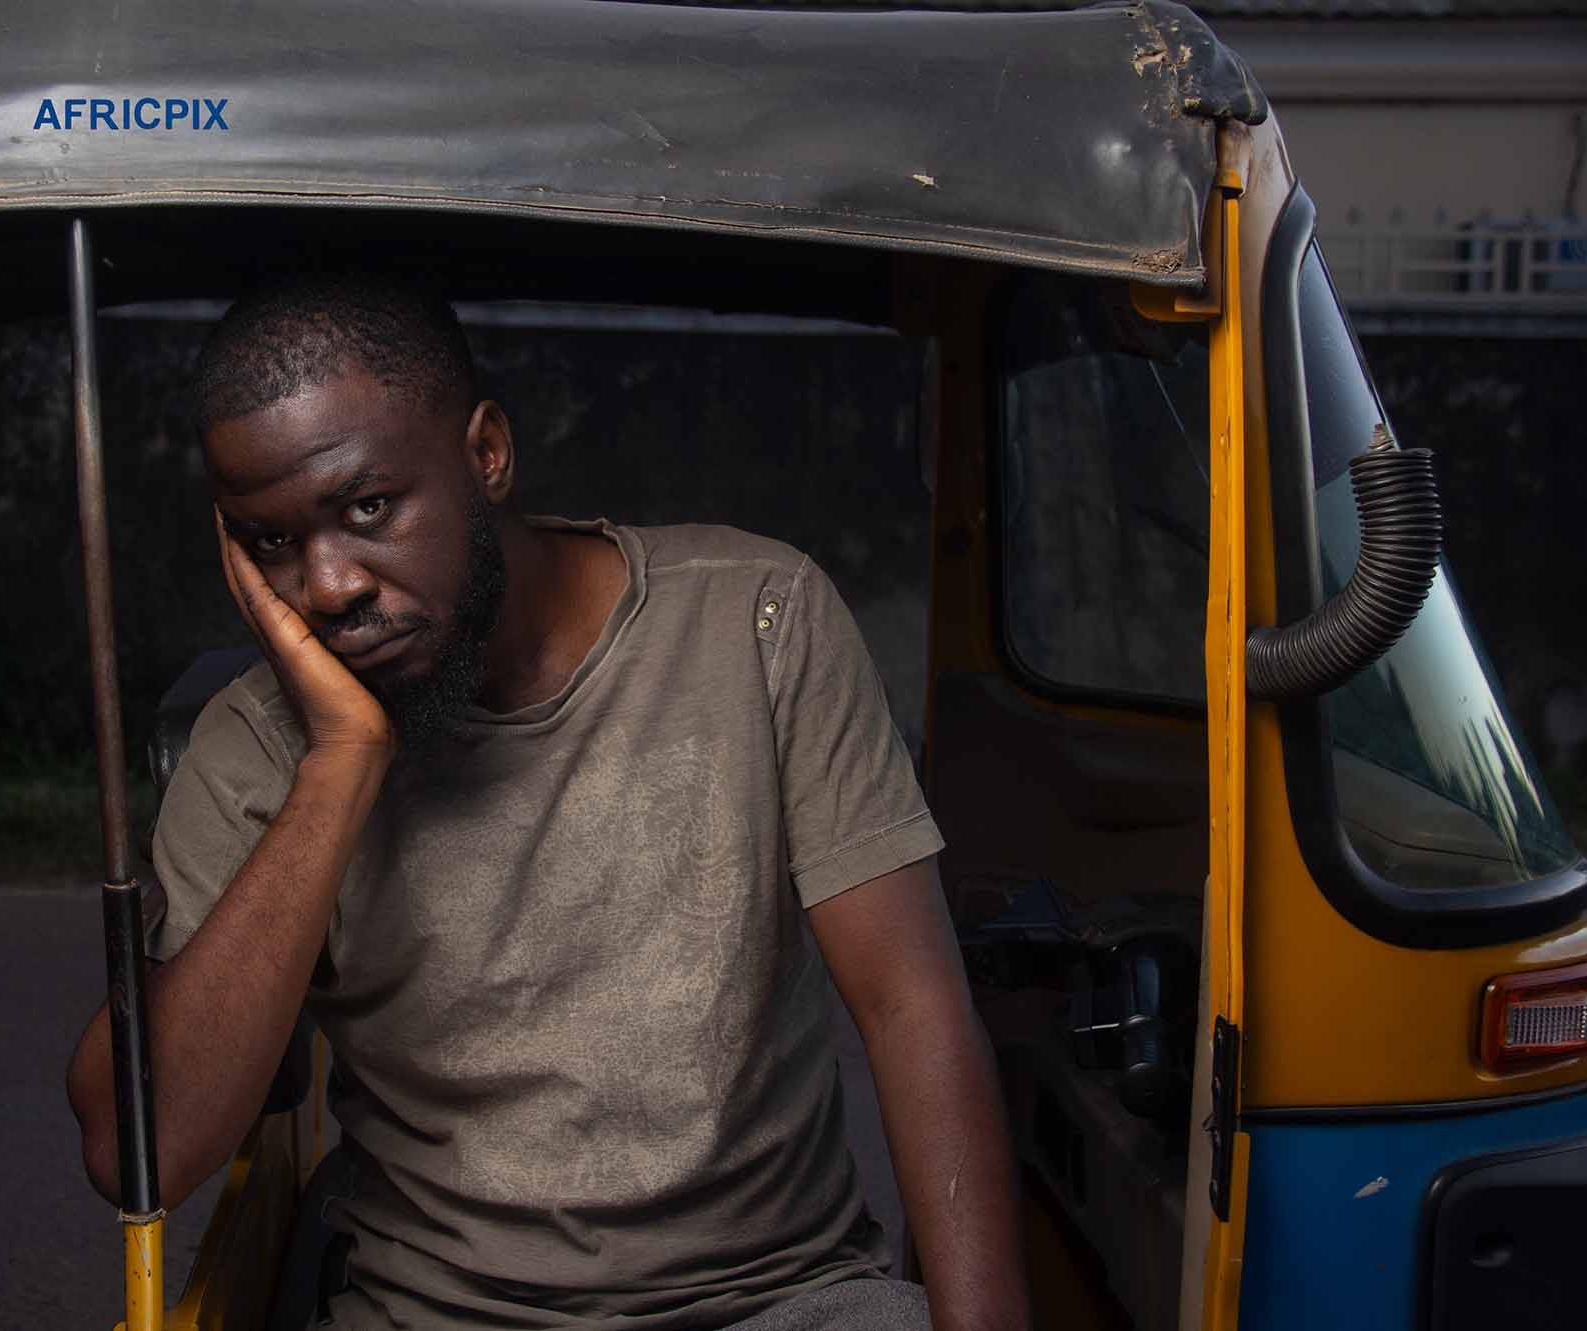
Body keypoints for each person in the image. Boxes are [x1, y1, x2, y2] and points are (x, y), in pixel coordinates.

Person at [66, 272, 1029, 1331]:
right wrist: (340, 761)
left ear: (485, 453)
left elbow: (912, 1006)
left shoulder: (757, 619)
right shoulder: (261, 746)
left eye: (368, 507)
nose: (329, 585)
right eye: (273, 544)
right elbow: (136, 1149)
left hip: (778, 1301)